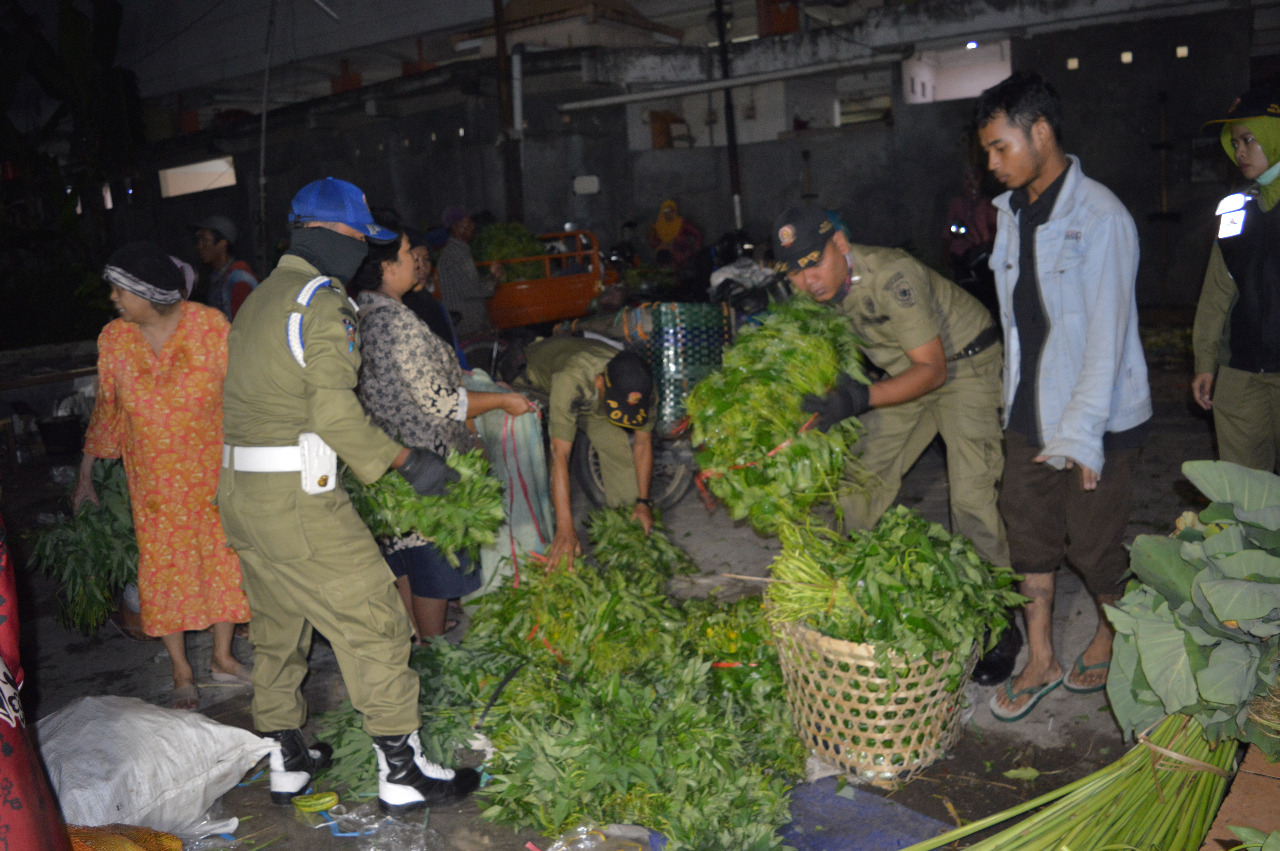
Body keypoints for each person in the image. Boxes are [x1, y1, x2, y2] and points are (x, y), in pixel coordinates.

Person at [217, 177, 479, 812]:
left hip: (241, 495)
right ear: (334, 235)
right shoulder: (319, 302)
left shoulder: (259, 298)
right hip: (297, 499)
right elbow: (334, 416)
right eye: (362, 240)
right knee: (377, 622)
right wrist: (405, 462)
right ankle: (402, 771)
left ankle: (288, 759)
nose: (365, 253)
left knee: (280, 627)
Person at [770, 205, 1020, 686]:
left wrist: (859, 398)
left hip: (962, 366)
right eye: (793, 271)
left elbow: (934, 370)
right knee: (861, 479)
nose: (807, 280)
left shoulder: (893, 276)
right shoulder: (812, 296)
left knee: (970, 497)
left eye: (813, 262)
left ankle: (998, 623)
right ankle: (845, 597)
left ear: (840, 245)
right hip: (903, 373)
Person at [974, 71, 1151, 721]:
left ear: (1039, 131)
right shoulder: (1011, 213)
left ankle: (1114, 632)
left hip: (1100, 414)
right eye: (988, 151)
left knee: (1095, 547)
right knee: (1030, 536)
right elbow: (1022, 322)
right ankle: (1041, 657)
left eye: (1000, 147)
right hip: (1030, 405)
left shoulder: (1099, 216)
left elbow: (1107, 337)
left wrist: (1081, 434)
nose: (992, 163)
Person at [72, 241, 252, 711]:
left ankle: (222, 658)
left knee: (222, 561)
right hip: (153, 485)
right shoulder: (114, 339)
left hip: (212, 471)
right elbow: (107, 411)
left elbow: (242, 394)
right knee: (165, 571)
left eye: (120, 290)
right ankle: (181, 670)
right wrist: (86, 474)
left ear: (150, 294)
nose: (114, 298)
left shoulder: (209, 326)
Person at [351, 225, 534, 639]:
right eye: (405, 254)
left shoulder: (361, 311)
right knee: (432, 564)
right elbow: (440, 399)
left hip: (387, 455)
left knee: (405, 557)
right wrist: (503, 401)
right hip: (424, 460)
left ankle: (415, 642)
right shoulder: (395, 322)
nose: (415, 260)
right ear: (385, 267)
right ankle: (435, 652)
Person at [1192, 85, 1280, 473]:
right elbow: (1216, 293)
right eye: (1235, 142)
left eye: (1249, 140)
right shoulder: (1235, 209)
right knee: (1248, 501)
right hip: (1242, 378)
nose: (1240, 151)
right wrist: (1205, 360)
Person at [518, 336, 656, 570]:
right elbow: (560, 456)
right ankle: (538, 549)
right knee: (525, 461)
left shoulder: (644, 387)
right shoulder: (571, 379)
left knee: (618, 451)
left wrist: (643, 502)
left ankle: (627, 543)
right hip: (534, 381)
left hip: (593, 400)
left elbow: (642, 444)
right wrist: (565, 528)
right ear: (600, 382)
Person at [435, 206, 504, 340]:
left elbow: (468, 284)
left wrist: (490, 276)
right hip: (468, 328)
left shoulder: (454, 252)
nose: (472, 226)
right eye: (468, 223)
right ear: (456, 227)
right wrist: (494, 278)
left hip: (465, 325)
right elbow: (474, 289)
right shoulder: (457, 255)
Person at [943, 164, 1000, 320]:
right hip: (961, 255)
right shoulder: (957, 203)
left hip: (983, 255)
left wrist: (988, 242)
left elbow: (996, 228)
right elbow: (949, 232)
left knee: (988, 295)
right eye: (967, 178)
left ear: (980, 180)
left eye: (974, 178)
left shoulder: (988, 203)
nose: (970, 182)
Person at [191, 215, 258, 320]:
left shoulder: (239, 279)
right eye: (198, 241)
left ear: (222, 243)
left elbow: (243, 326)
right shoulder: (217, 276)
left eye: (205, 240)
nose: (199, 246)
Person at [647, 199, 703, 280]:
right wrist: (651, 237)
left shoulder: (681, 223)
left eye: (670, 212)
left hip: (682, 258)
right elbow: (654, 244)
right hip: (665, 260)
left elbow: (696, 233)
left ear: (674, 212)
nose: (668, 215)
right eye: (665, 213)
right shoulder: (659, 226)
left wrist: (697, 246)